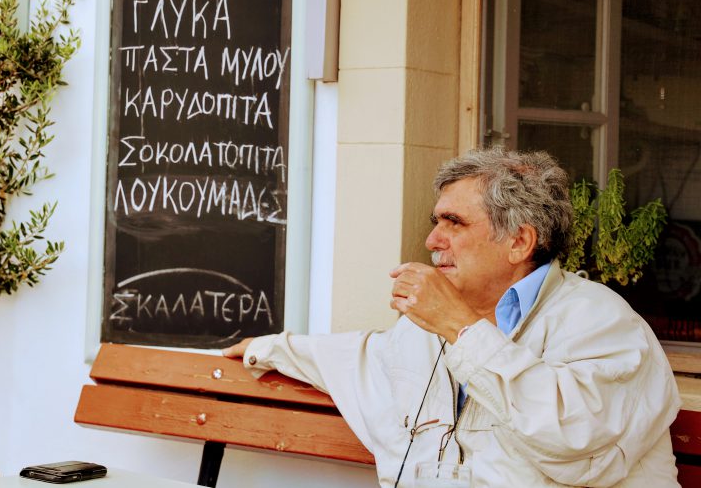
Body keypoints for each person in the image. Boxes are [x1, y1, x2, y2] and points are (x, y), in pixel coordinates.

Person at [224, 148, 680, 487]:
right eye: (436, 221)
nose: (431, 240)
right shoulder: (427, 328)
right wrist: (269, 348)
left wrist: (461, 329)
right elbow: (360, 358)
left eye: (454, 223)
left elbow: (575, 440)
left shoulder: (601, 321)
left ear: (519, 242)